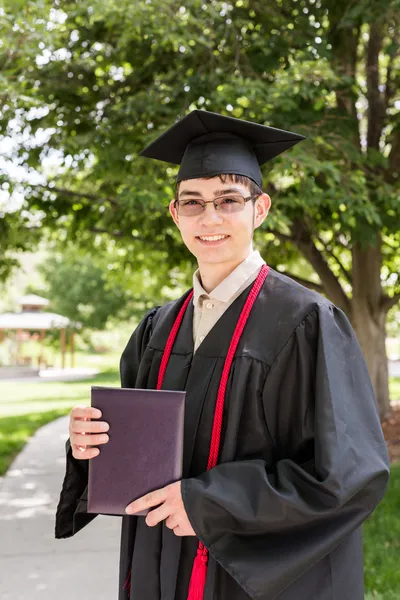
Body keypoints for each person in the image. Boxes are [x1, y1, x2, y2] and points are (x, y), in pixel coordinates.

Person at [55, 110, 390, 600]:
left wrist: (211, 504)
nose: (209, 218)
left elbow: (347, 476)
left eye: (228, 200)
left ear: (260, 209)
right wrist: (89, 448)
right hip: (161, 562)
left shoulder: (308, 322)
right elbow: (133, 453)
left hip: (254, 579)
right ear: (174, 214)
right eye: (193, 203)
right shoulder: (157, 329)